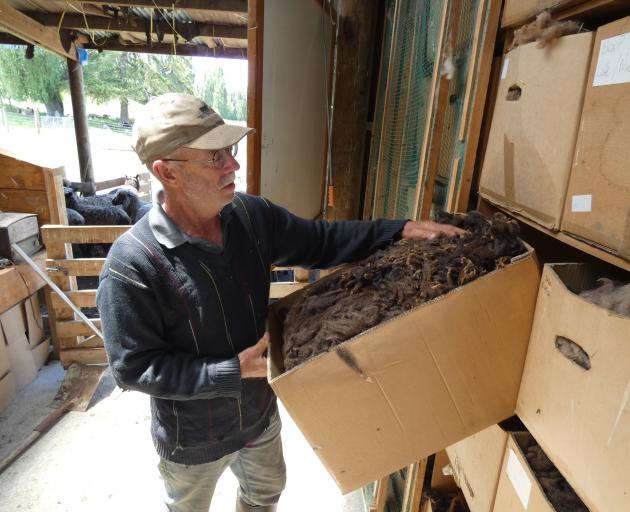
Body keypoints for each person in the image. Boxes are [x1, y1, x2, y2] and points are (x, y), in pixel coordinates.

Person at [96, 93, 464, 512]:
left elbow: (322, 241)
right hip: (193, 436)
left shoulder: (251, 217)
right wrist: (231, 372)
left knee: (264, 494)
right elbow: (133, 367)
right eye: (214, 156)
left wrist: (399, 230)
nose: (233, 166)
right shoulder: (132, 265)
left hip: (258, 416)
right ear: (167, 172)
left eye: (229, 151)